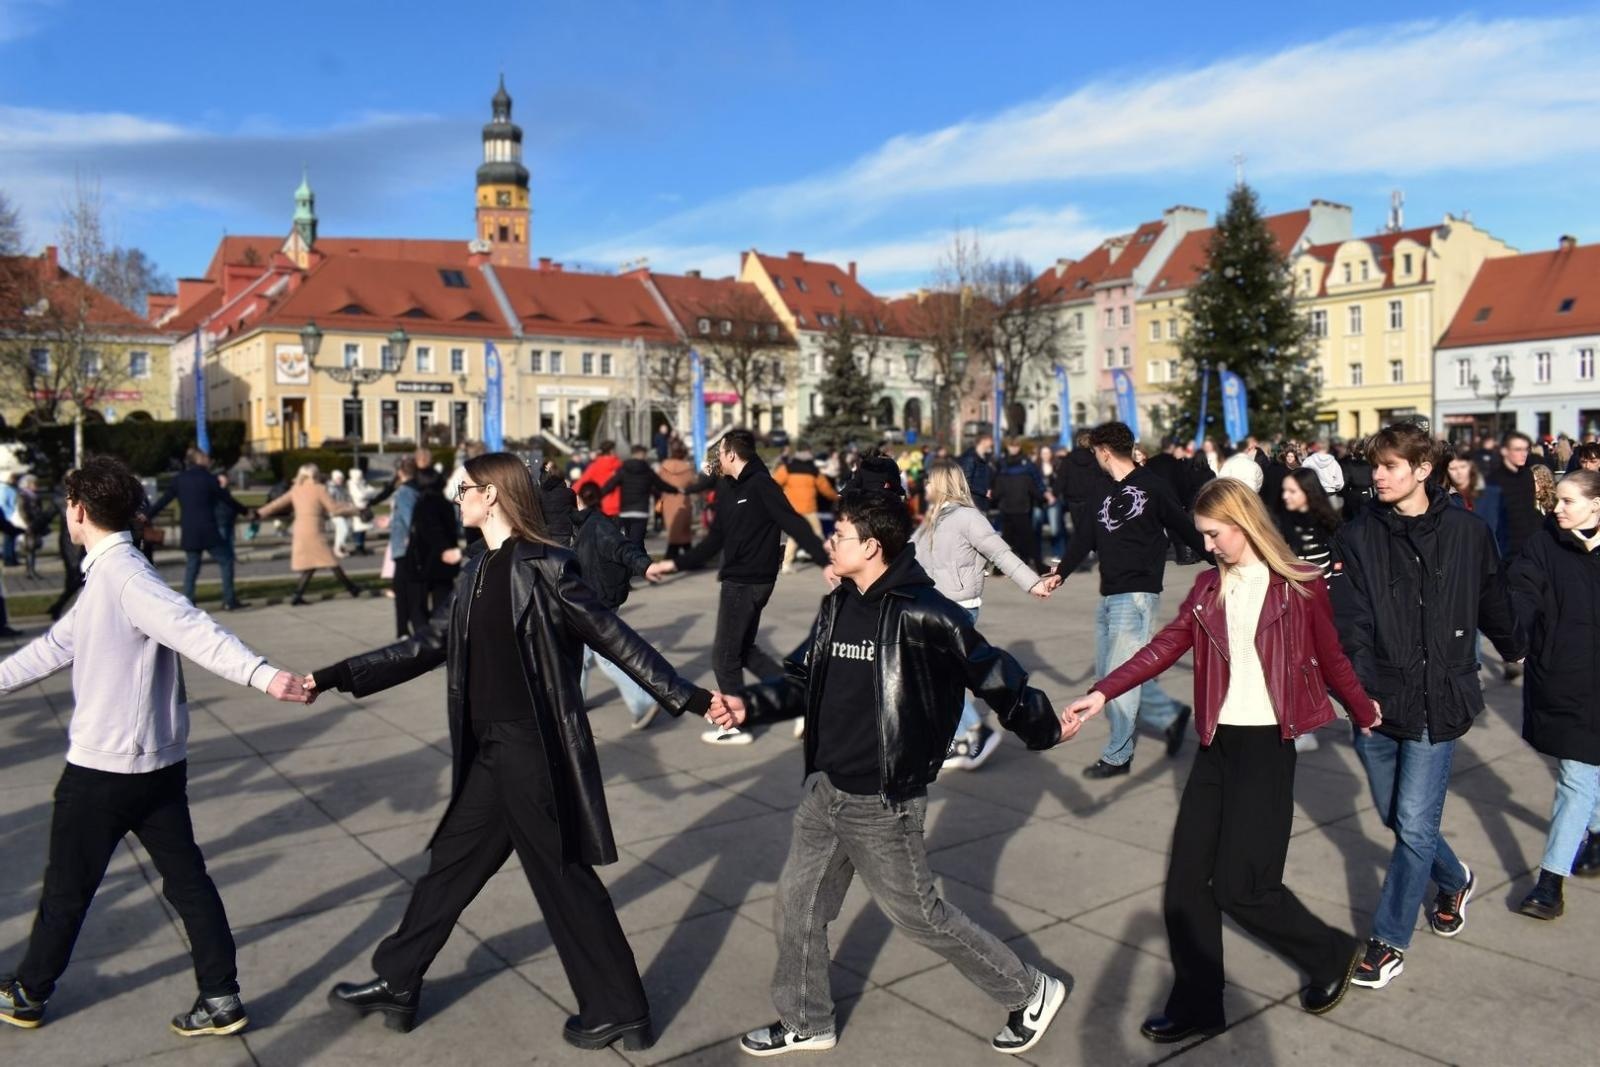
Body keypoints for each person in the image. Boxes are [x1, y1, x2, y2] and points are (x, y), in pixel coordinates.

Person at [308, 452, 724, 1050]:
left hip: (532, 753)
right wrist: (334, 675)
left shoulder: (548, 566)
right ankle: (397, 979)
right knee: (449, 867)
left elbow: (615, 637)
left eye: (465, 490)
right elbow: (428, 644)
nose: (458, 498)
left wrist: (691, 696)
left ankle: (619, 1008)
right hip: (489, 752)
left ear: (494, 495)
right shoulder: (477, 570)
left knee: (563, 880)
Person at [712, 490, 1077, 1059]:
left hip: (883, 802)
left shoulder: (925, 612)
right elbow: (803, 681)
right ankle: (808, 1021)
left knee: (921, 916)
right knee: (797, 905)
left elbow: (993, 673)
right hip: (826, 791)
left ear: (873, 546)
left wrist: (1045, 728)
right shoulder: (838, 604)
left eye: (841, 536)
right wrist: (748, 707)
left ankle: (1029, 990)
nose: (830, 541)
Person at [0, 455, 311, 1036]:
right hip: (154, 767)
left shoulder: (126, 579)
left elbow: (195, 629)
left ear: (78, 510)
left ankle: (27, 993)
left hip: (105, 770)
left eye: (69, 505)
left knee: (68, 891)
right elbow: (50, 648)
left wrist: (265, 675)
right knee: (188, 881)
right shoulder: (111, 576)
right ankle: (220, 998)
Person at [1065, 478, 1379, 1044]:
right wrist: (1104, 692)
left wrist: (1365, 711)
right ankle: (1199, 1003)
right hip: (1216, 745)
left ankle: (1332, 953)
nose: (1206, 547)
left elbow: (1333, 659)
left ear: (1243, 523)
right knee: (1185, 884)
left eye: (1213, 535)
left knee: (1244, 887)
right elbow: (1167, 643)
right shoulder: (1211, 587)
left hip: (1266, 746)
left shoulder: (1298, 587)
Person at [1328, 422, 1524, 991]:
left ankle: (1388, 942)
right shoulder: (1358, 535)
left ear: (1423, 470)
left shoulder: (1468, 531)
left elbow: (1492, 596)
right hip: (1376, 702)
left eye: (1390, 465)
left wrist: (1515, 647)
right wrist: (1361, 696)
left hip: (1440, 697)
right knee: (1396, 816)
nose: (1378, 475)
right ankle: (1454, 877)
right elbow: (1350, 623)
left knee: (1413, 821)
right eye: (1375, 465)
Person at [644, 429, 831, 745]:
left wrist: (824, 560)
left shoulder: (761, 484)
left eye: (719, 453)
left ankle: (736, 725)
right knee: (743, 650)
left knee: (724, 656)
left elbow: (793, 522)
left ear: (731, 454)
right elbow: (715, 539)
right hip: (737, 578)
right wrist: (674, 564)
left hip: (749, 581)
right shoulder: (728, 488)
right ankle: (798, 700)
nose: (716, 459)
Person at [1047, 422, 1208, 777]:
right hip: (1109, 594)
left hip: (1137, 595)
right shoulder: (1101, 489)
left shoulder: (1151, 487)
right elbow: (1084, 537)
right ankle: (1169, 715)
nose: (1094, 459)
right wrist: (1062, 573)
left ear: (1105, 451)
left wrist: (1220, 561)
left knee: (1116, 679)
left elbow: (1184, 527)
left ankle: (1118, 755)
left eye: (1095, 452)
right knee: (1111, 676)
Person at [913, 460, 1052, 771]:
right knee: (939, 675)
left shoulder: (967, 517)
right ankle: (964, 735)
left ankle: (974, 734)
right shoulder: (931, 520)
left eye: (928, 482)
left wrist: (1033, 583)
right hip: (936, 606)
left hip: (960, 606)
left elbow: (1000, 552)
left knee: (938, 676)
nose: (924, 488)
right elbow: (907, 557)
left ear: (942, 483)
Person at [1506, 470, 1600, 918]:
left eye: (1567, 502)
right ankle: (1550, 883)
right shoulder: (1544, 546)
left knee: (1588, 771)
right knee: (1577, 776)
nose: (1555, 508)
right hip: (1566, 679)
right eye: (1556, 500)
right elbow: (1522, 594)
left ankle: (1596, 833)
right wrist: (1515, 637)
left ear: (1596, 506)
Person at [572, 481, 665, 729]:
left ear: (580, 500)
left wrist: (646, 566)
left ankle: (643, 701)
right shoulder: (584, 524)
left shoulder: (598, 525)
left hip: (597, 600)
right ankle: (575, 701)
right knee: (581, 653)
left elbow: (625, 550)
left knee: (607, 656)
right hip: (591, 598)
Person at [145, 449, 251, 611]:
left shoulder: (179, 480)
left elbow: (163, 501)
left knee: (192, 567)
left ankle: (189, 602)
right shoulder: (209, 479)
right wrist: (247, 512)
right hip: (209, 529)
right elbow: (227, 499)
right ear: (199, 459)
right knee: (226, 561)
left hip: (190, 530)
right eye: (207, 457)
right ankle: (229, 599)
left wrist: (147, 515)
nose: (209, 460)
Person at [254, 464, 363, 606]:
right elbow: (334, 509)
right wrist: (355, 510)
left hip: (300, 529)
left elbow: (278, 503)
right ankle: (352, 588)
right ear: (315, 474)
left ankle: (297, 595)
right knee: (331, 561)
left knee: (312, 565)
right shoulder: (319, 489)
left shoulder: (296, 489)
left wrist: (259, 513)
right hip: (314, 530)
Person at [400, 467, 462, 636]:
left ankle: (426, 640)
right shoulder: (446, 504)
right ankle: (442, 637)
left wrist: (444, 548)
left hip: (423, 561)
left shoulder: (423, 504)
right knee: (442, 605)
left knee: (418, 606)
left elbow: (432, 530)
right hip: (442, 563)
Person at [601, 444, 679, 548]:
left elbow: (610, 485)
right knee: (637, 542)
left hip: (626, 511)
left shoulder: (623, 470)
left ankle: (636, 562)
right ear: (643, 455)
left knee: (629, 540)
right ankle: (640, 562)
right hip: (641, 511)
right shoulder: (647, 470)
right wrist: (676, 490)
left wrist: (597, 496)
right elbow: (661, 485)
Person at [774, 448, 836, 573]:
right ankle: (826, 561)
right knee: (818, 534)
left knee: (794, 536)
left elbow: (774, 483)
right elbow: (825, 489)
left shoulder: (786, 469)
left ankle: (786, 564)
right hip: (809, 509)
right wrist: (836, 497)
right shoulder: (813, 471)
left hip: (793, 509)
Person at [1277, 468, 1341, 579]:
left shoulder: (1327, 521)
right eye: (1285, 490)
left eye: (1292, 491)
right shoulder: (1283, 521)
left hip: (1322, 588)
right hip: (1296, 588)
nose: (1285, 496)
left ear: (1308, 492)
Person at [992, 442, 1045, 573]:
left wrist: (991, 497)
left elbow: (997, 493)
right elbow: (1035, 491)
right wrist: (1043, 498)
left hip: (1007, 509)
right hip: (1022, 509)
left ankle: (998, 569)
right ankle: (1039, 566)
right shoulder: (1026, 471)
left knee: (1006, 541)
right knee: (1029, 539)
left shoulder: (1002, 473)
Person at [1488, 431, 1542, 559]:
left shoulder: (1528, 475)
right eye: (1518, 449)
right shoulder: (1493, 480)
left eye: (1526, 449)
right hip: (1505, 550)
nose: (1523, 454)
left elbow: (1529, 508)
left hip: (1528, 547)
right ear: (1504, 451)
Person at [1443, 449, 1505, 550]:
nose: (1459, 472)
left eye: (1463, 467)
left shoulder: (1492, 495)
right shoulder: (1444, 499)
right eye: (1453, 468)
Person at [656, 442, 698, 561]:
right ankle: (686, 557)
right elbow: (694, 484)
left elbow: (657, 482)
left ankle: (675, 556)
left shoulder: (664, 467)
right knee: (684, 530)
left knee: (673, 528)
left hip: (668, 501)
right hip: (683, 501)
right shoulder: (687, 469)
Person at [572, 440, 623, 517]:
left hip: (602, 505)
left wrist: (568, 493)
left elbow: (580, 483)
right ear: (612, 451)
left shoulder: (595, 466)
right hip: (620, 505)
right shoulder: (620, 465)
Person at [538, 458, 576, 547]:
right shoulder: (569, 493)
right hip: (564, 531)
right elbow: (575, 510)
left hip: (546, 530)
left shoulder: (541, 492)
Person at [958, 434, 997, 512]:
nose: (992, 444)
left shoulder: (987, 459)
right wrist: (984, 492)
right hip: (974, 503)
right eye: (990, 441)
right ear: (983, 442)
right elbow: (965, 482)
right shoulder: (970, 458)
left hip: (983, 502)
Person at [347, 468, 377, 556]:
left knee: (363, 529)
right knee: (358, 529)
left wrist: (365, 494)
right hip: (357, 509)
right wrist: (366, 494)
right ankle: (358, 547)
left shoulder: (362, 482)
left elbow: (373, 491)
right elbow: (360, 495)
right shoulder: (352, 484)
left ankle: (362, 546)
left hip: (364, 507)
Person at [327, 469, 353, 558]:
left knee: (341, 531)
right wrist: (344, 504)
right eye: (339, 478)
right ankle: (337, 548)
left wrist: (349, 503)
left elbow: (346, 496)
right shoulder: (331, 488)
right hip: (334, 512)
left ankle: (339, 548)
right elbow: (331, 502)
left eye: (341, 478)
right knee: (344, 529)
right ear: (334, 478)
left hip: (341, 511)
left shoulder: (341, 487)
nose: (341, 480)